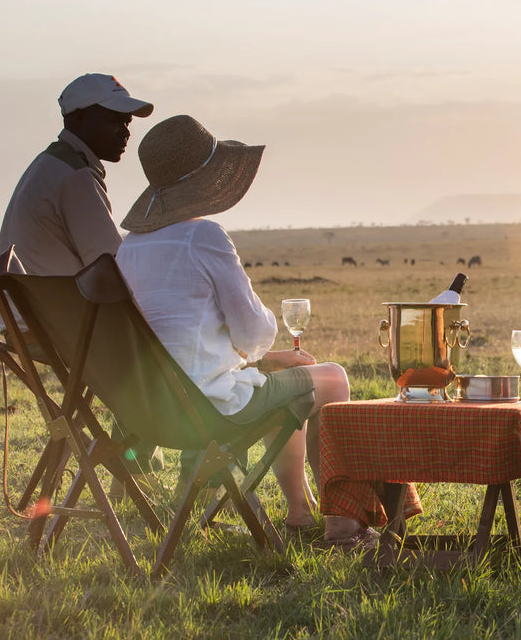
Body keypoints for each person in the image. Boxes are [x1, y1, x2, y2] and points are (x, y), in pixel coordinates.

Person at [116, 114, 373, 547]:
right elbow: (255, 334)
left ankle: (298, 513)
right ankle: (344, 527)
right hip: (210, 410)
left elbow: (179, 344)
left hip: (154, 411)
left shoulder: (129, 248)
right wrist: (266, 346)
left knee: (277, 381)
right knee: (333, 378)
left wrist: (266, 360)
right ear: (206, 181)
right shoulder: (204, 237)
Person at [0, 73, 163, 490]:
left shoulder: (53, 164)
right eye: (115, 120)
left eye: (128, 122)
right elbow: (111, 267)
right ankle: (144, 471)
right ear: (81, 119)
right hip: (61, 327)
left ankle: (136, 471)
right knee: (163, 343)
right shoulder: (75, 177)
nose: (126, 131)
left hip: (35, 321)